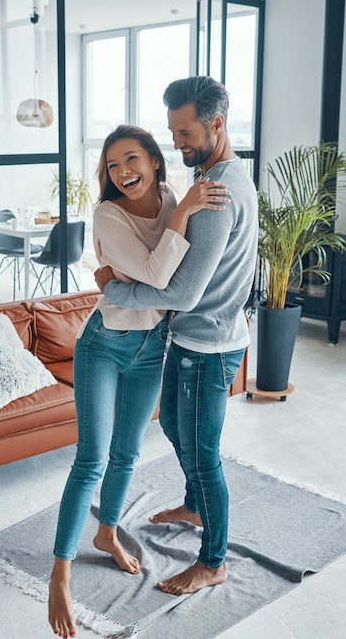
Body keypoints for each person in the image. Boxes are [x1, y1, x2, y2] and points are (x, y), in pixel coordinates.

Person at [48, 124, 231, 638]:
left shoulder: (175, 197)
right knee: (91, 459)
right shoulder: (109, 214)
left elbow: (179, 283)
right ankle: (59, 574)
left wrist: (181, 210)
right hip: (104, 345)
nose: (123, 172)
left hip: (154, 348)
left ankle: (106, 531)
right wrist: (184, 214)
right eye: (112, 166)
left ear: (153, 160)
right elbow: (157, 275)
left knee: (128, 453)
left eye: (132, 159)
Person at [94, 76, 258, 596]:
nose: (178, 143)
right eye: (172, 132)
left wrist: (115, 291)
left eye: (186, 132)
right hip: (196, 340)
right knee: (174, 429)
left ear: (217, 123)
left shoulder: (213, 195)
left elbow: (183, 293)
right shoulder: (222, 175)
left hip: (206, 346)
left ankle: (213, 562)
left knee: (204, 453)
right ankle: (194, 504)